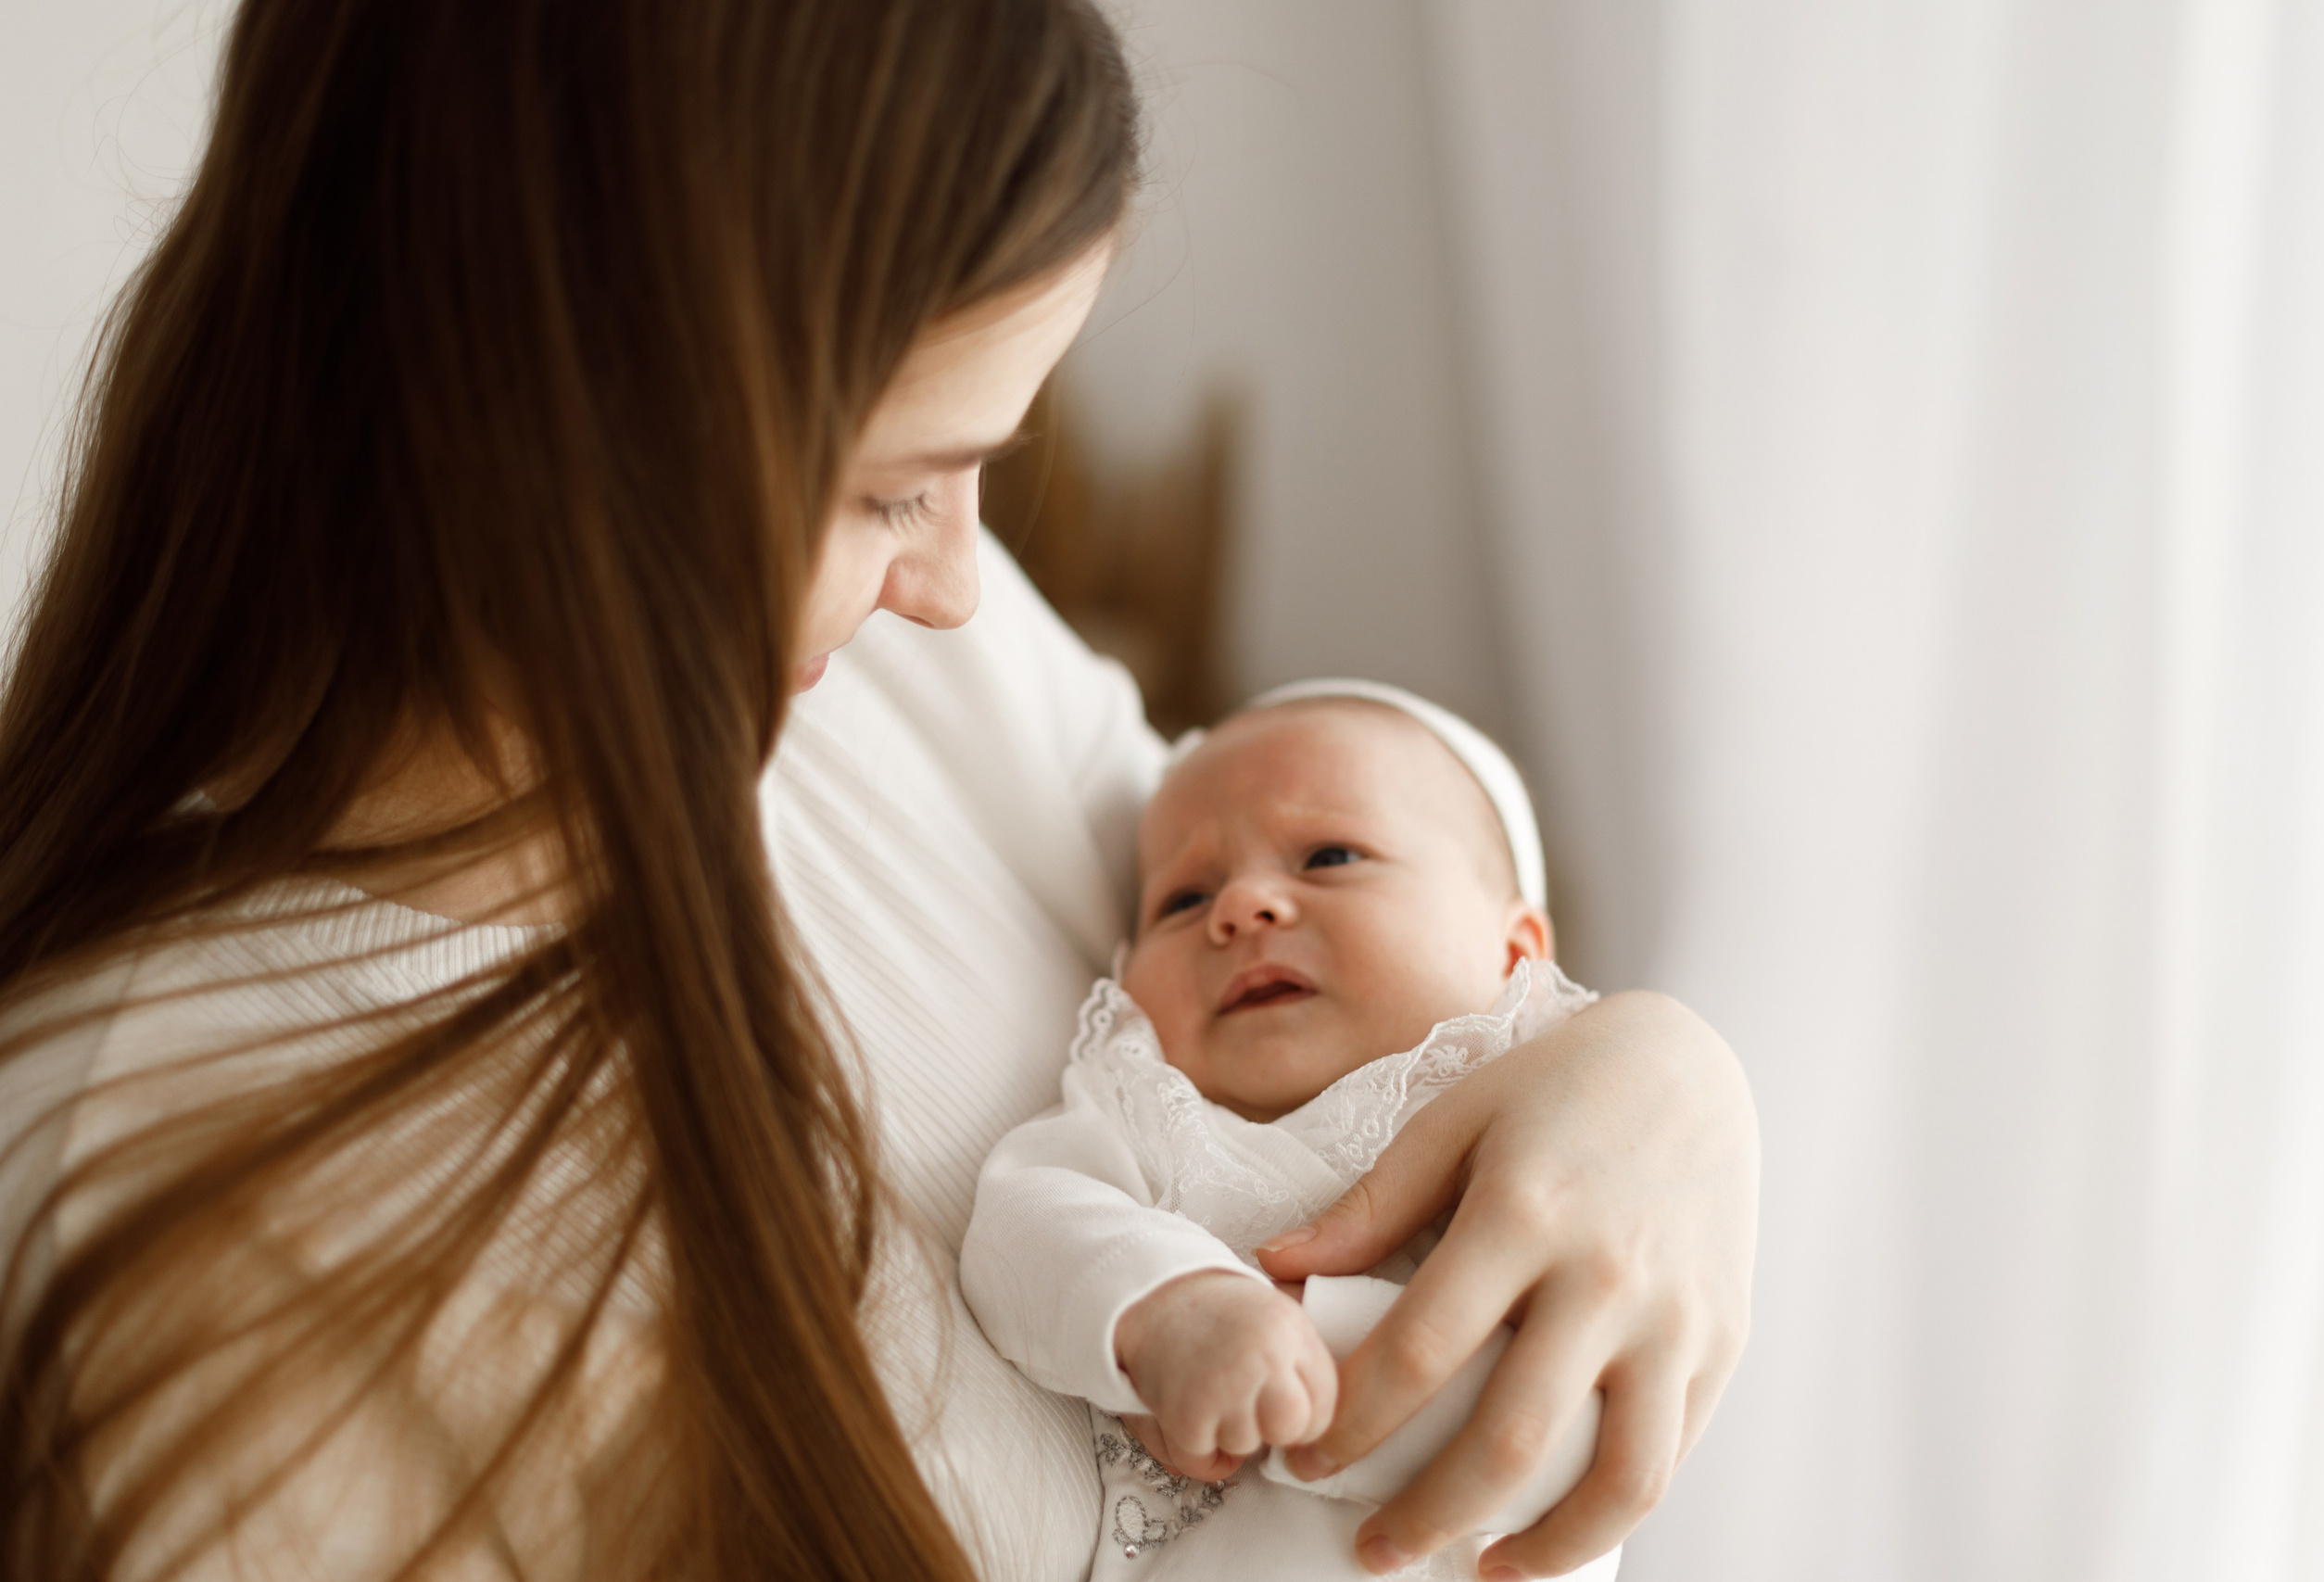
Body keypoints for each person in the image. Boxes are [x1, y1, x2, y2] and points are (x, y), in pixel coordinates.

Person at [0, 2, 1761, 1579]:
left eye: (980, 470)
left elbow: (1337, 846)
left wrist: (1660, 1080)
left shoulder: (862, 676)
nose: (958, 589)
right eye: (897, 491)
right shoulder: (200, 1228)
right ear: (588, 431)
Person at [962, 683, 1623, 1580]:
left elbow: (1576, 1422)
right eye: (1183, 900)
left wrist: (1303, 1341)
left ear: (1514, 954)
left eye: (1328, 855)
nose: (1241, 907)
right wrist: (1172, 1307)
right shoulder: (1151, 1109)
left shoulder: (1547, 1126)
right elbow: (1024, 1218)